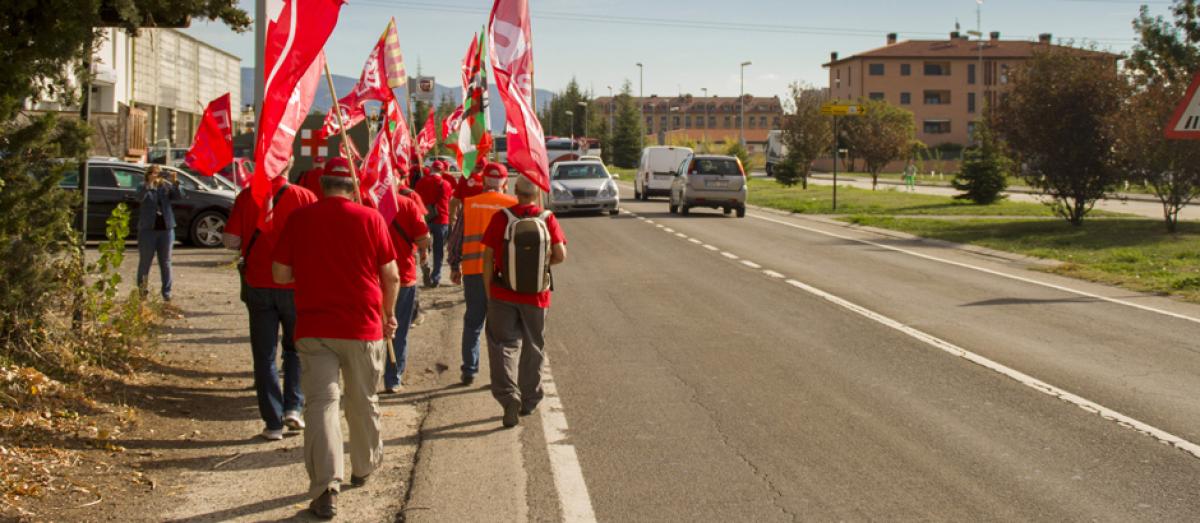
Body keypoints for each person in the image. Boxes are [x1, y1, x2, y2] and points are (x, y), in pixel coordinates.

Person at [271, 161, 400, 519]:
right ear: (353, 186)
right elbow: (391, 275)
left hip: (314, 327)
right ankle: (364, 466)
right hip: (362, 326)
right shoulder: (371, 218)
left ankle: (326, 485)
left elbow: (280, 273)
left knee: (321, 406)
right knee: (361, 400)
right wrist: (389, 315)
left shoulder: (300, 219)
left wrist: (309, 272)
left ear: (323, 185)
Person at [224, 159, 318, 441]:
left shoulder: (247, 195)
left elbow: (230, 240)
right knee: (295, 348)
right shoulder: (305, 196)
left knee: (263, 355)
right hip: (294, 284)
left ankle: (272, 422)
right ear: (290, 163)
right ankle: (293, 408)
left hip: (258, 284)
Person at [482, 176, 567, 427]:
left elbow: (487, 258)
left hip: (503, 292)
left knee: (502, 346)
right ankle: (529, 400)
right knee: (534, 345)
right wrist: (540, 266)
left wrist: (489, 292)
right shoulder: (547, 218)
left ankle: (509, 397)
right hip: (537, 295)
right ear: (536, 193)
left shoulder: (501, 218)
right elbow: (561, 255)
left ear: (514, 191)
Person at [448, 163, 516, 386]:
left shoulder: (470, 204)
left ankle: (469, 370)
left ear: (483, 181)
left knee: (473, 321)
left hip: (474, 271)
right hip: (503, 274)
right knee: (501, 326)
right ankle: (501, 374)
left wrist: (454, 266)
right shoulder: (513, 205)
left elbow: (457, 238)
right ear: (505, 183)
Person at [383, 180, 432, 393]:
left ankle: (368, 377)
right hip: (402, 276)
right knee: (399, 330)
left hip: (371, 279)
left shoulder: (366, 203)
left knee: (371, 331)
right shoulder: (408, 204)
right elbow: (423, 239)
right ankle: (393, 379)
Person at [136, 165, 183, 301]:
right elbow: (139, 197)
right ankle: (142, 292)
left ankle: (166, 292)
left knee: (166, 262)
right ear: (148, 174)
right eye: (153, 173)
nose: (156, 175)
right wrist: (149, 184)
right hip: (147, 231)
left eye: (158, 173)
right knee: (145, 262)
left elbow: (179, 196)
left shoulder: (166, 187)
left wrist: (175, 183)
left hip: (166, 230)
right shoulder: (143, 186)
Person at [415, 161, 453, 288]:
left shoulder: (421, 182)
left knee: (423, 248)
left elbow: (416, 199)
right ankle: (436, 277)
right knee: (439, 250)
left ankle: (424, 267)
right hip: (442, 219)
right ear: (442, 171)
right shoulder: (446, 184)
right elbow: (449, 200)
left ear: (431, 169)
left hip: (425, 219)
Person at [449, 161, 485, 229]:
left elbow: (454, 201)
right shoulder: (489, 177)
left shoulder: (465, 177)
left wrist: (452, 216)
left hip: (468, 215)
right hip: (486, 215)